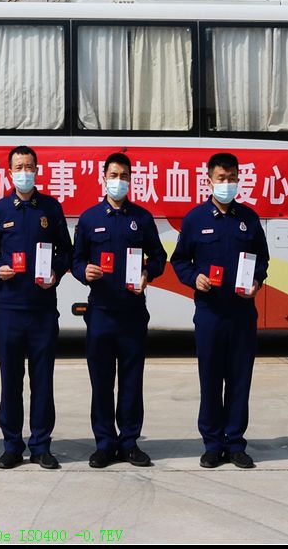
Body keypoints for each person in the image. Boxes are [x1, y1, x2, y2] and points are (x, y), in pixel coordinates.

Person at [170, 152, 270, 469]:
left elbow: (263, 259)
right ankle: (213, 444)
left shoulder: (249, 218)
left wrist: (257, 281)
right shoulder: (195, 219)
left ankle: (236, 444)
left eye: (232, 178)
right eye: (221, 178)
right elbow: (179, 260)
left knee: (240, 381)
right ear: (209, 181)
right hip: (210, 314)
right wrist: (194, 278)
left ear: (239, 179)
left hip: (242, 314)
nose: (227, 184)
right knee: (211, 380)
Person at [72, 152, 167, 468]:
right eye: (114, 175)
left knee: (131, 381)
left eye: (124, 176)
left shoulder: (142, 218)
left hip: (132, 313)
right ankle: (104, 443)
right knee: (101, 382)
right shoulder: (89, 219)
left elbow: (159, 256)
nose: (119, 181)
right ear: (103, 178)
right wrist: (83, 271)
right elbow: (75, 259)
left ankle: (129, 442)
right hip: (100, 312)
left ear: (130, 180)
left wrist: (148, 273)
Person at [0, 146, 73, 470]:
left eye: (29, 166)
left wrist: (56, 272)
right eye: (19, 167)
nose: (25, 172)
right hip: (9, 309)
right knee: (11, 381)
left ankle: (41, 445)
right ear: (9, 173)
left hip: (43, 310)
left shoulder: (50, 207)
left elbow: (66, 252)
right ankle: (12, 446)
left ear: (37, 170)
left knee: (42, 381)